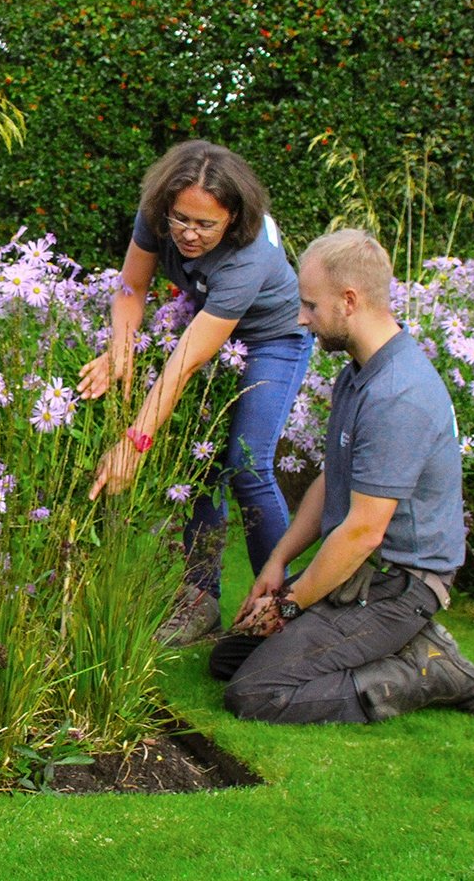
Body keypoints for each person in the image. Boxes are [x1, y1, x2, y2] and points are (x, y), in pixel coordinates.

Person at [209, 228, 474, 724]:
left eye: (310, 306)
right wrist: (276, 566)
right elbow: (330, 480)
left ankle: (426, 671)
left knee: (255, 693)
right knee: (229, 660)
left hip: (399, 585)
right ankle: (398, 648)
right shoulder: (359, 373)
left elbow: (364, 531)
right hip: (365, 573)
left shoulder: (398, 396)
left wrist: (290, 607)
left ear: (348, 301)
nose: (302, 318)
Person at [79, 140, 312, 646]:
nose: (187, 233)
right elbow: (131, 288)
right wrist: (121, 350)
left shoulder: (248, 258)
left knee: (246, 464)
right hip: (206, 323)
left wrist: (133, 445)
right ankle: (200, 601)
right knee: (201, 465)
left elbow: (185, 363)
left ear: (232, 219)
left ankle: (285, 611)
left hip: (272, 338)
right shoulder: (156, 214)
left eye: (205, 225)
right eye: (181, 219)